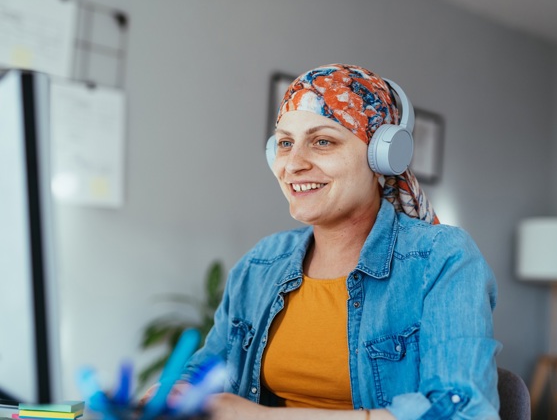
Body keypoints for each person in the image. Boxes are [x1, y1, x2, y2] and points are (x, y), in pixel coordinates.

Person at [152, 64, 501, 419]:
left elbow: (464, 410)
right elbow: (203, 371)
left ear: (382, 155)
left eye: (322, 141)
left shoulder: (443, 259)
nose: (293, 165)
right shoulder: (260, 264)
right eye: (285, 143)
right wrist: (175, 394)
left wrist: (258, 417)